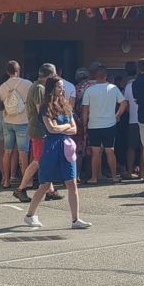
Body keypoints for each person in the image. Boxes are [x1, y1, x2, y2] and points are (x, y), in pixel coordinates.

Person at [23, 76, 91, 230]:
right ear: (51, 88)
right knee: (45, 184)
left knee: (72, 182)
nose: (62, 89)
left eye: (62, 87)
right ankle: (30, 215)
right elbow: (51, 129)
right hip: (51, 147)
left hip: (66, 147)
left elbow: (74, 129)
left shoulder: (66, 105)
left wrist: (62, 127)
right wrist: (66, 126)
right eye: (59, 86)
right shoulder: (45, 107)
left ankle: (75, 219)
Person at [15, 64, 59, 203]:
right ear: (49, 76)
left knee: (44, 160)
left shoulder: (36, 86)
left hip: (38, 128)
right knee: (38, 160)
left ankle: (51, 191)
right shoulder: (39, 88)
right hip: (39, 129)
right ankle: (21, 188)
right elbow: (42, 110)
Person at [81, 64, 128, 184]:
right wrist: (117, 115)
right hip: (109, 124)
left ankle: (94, 177)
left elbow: (85, 109)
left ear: (95, 76)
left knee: (95, 152)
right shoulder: (113, 88)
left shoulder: (89, 90)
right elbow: (124, 103)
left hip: (93, 125)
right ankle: (114, 177)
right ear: (106, 76)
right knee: (110, 150)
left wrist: (84, 124)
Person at [0, 61, 32, 190]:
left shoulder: (3, 86)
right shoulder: (27, 84)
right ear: (19, 70)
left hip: (7, 120)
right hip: (23, 121)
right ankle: (25, 181)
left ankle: (6, 180)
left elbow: (3, 102)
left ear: (7, 72)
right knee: (23, 153)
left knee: (7, 151)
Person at [121, 61, 142, 179]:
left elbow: (126, 104)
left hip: (133, 120)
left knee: (131, 147)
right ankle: (143, 173)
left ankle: (129, 172)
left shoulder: (128, 86)